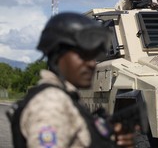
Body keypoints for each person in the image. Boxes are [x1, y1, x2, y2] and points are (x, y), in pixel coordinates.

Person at [8, 12, 136, 148]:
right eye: (83, 55)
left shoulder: (66, 98)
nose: (92, 63)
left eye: (93, 56)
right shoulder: (50, 104)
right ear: (58, 54)